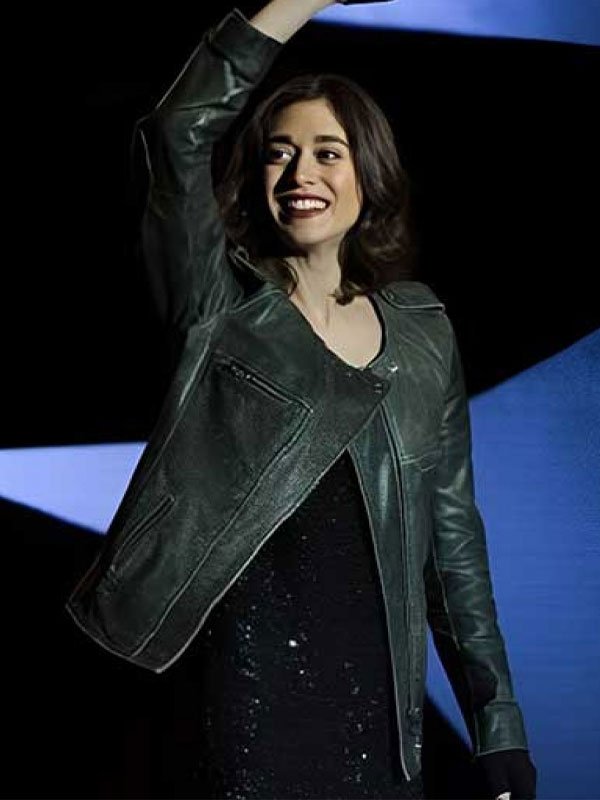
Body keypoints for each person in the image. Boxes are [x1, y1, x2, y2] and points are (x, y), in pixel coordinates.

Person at [66, 1, 537, 798]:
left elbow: (452, 544)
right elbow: (176, 132)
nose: (299, 175)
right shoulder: (218, 307)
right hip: (236, 697)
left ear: (369, 172)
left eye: (327, 153)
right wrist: (299, 0)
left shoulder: (424, 333)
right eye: (277, 155)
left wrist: (499, 725)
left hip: (378, 714)